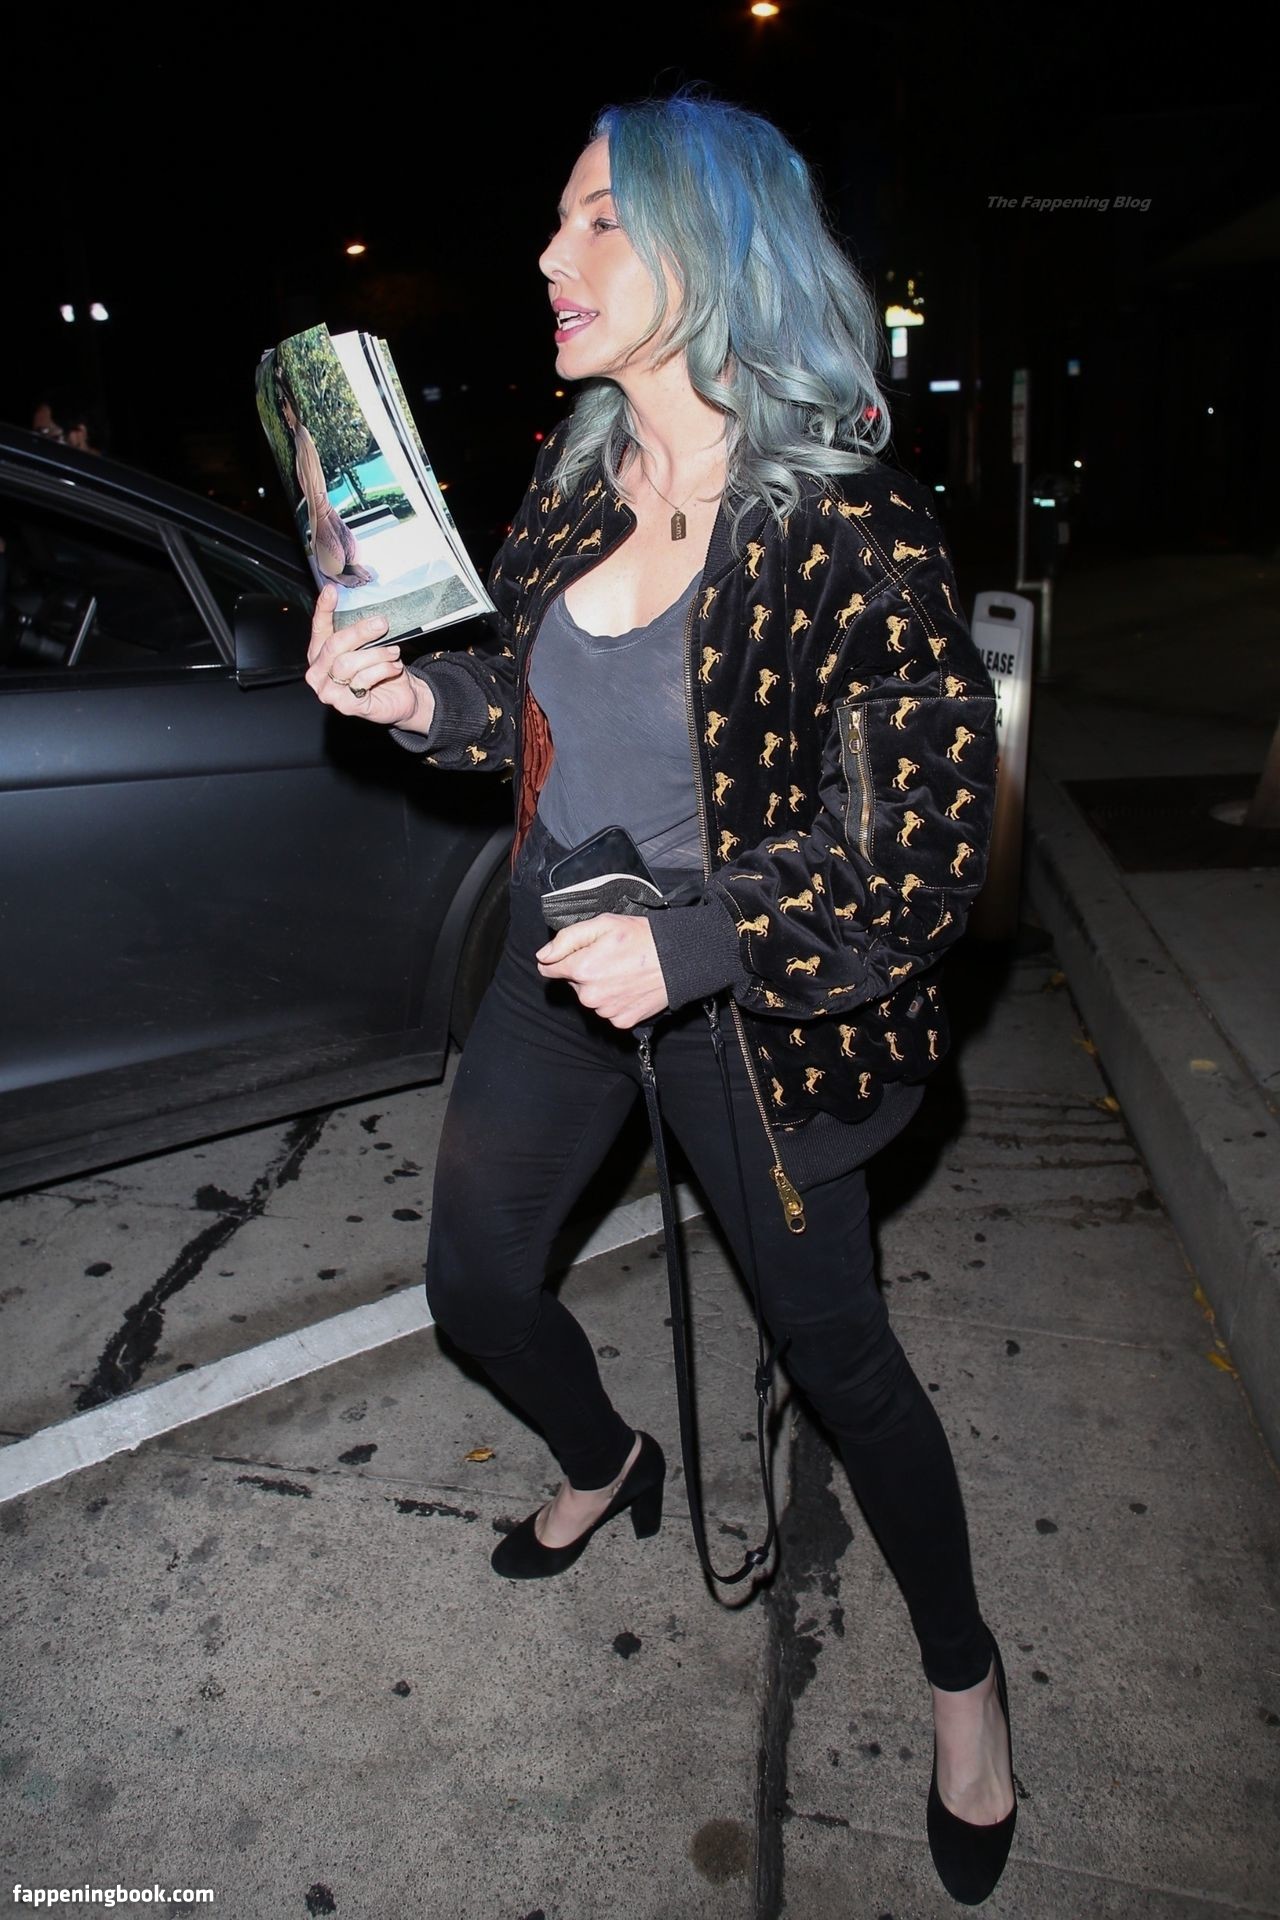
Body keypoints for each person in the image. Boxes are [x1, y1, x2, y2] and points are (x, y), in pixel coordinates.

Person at [304, 91, 1014, 1905]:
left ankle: (965, 1680)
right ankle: (606, 1457)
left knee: (843, 1368)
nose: (554, 252)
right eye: (559, 218)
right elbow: (523, 720)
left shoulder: (851, 527)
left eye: (600, 217)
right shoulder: (575, 477)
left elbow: (923, 850)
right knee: (476, 1281)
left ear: (716, 248)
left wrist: (697, 943)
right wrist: (413, 703)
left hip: (753, 1016)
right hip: (556, 971)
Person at [274, 369, 375, 588]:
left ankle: (341, 572)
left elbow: (312, 504)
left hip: (324, 509)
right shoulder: (301, 435)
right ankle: (343, 571)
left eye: (285, 406)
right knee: (341, 558)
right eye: (281, 407)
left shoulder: (301, 435)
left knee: (342, 558)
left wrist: (282, 381)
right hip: (323, 510)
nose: (284, 413)